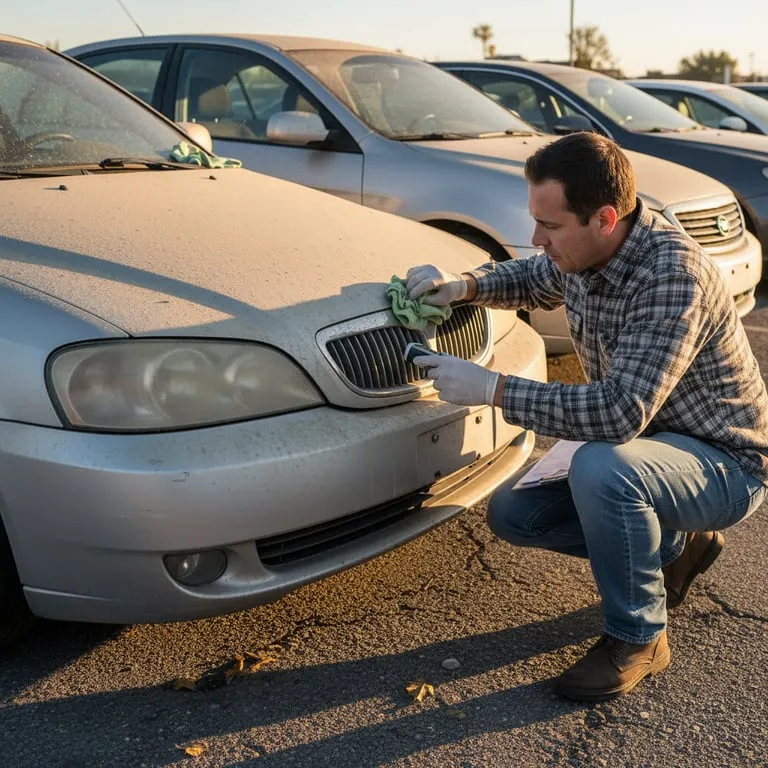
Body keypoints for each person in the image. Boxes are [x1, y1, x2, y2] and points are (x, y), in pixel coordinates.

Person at [405, 132, 768, 702]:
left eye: (549, 226)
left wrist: (491, 387)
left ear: (604, 217)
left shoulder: (673, 275)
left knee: (603, 467)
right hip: (651, 449)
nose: (535, 238)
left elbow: (618, 412)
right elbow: (531, 278)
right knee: (515, 514)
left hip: (723, 463)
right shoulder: (584, 251)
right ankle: (679, 547)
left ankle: (639, 636)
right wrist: (463, 286)